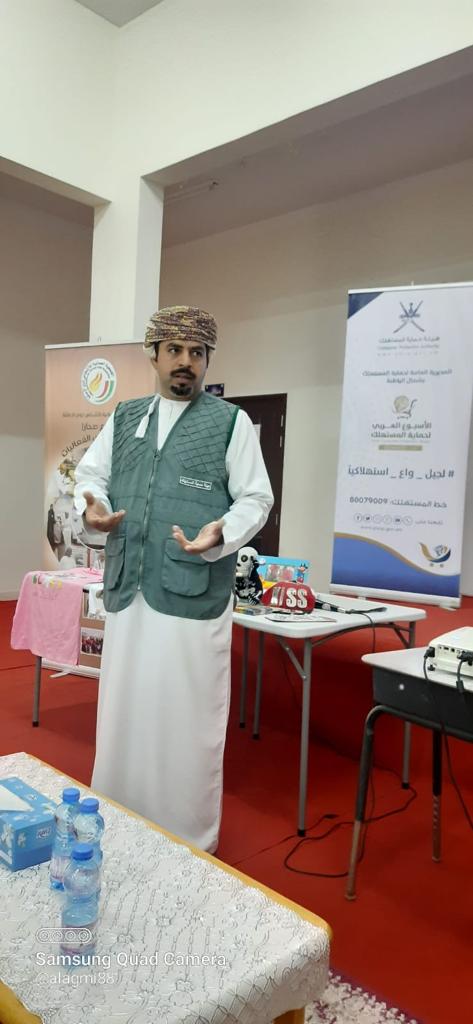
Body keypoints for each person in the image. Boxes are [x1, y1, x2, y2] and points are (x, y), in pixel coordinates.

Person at [74, 305, 273, 852]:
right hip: (129, 592)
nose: (186, 362)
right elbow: (91, 476)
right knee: (124, 711)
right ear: (155, 355)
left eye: (197, 353)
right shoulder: (125, 417)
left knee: (185, 719)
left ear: (208, 360)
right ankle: (119, 813)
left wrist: (222, 532)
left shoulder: (230, 423)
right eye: (175, 351)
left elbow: (256, 498)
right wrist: (93, 506)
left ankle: (187, 837)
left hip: (192, 598)